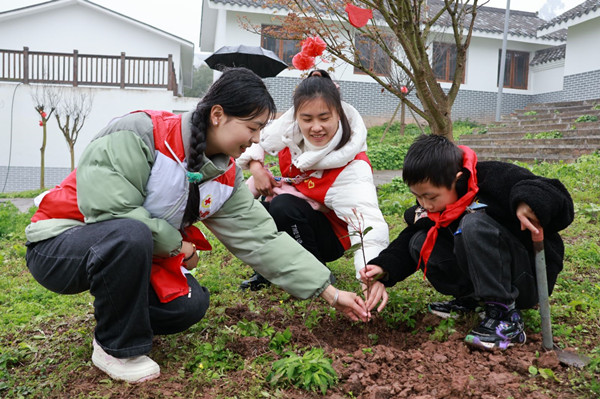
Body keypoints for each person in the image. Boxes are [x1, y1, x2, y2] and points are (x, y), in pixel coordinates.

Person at [24, 67, 369, 384]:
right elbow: (109, 211)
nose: (255, 140)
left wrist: (329, 291)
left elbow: (261, 239)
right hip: (60, 244)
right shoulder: (140, 133)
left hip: (129, 248)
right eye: (252, 127)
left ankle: (116, 316)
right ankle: (116, 347)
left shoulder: (224, 175)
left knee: (189, 305)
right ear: (218, 115)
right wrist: (175, 244)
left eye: (261, 129)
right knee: (130, 233)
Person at [361, 134, 574, 350]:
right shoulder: (430, 208)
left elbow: (557, 194)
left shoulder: (493, 177)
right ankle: (473, 300)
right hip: (490, 273)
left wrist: (527, 202)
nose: (425, 205)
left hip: (527, 276)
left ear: (457, 178)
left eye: (432, 197)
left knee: (472, 223)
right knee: (419, 240)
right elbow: (409, 239)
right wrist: (383, 267)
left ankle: (505, 318)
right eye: (418, 197)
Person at [236, 71, 389, 296]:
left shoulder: (353, 166)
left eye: (324, 118)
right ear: (295, 117)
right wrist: (256, 167)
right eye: (307, 119)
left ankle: (317, 272)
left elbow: (368, 223)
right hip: (300, 212)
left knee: (283, 206)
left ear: (338, 113)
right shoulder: (290, 133)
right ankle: (269, 271)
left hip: (329, 237)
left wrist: (370, 275)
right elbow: (258, 138)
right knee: (258, 210)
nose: (315, 127)